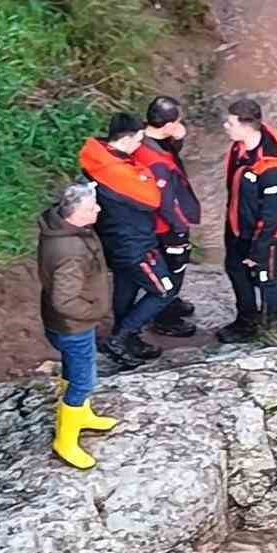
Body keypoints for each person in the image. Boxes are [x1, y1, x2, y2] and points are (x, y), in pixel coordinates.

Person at [80, 112, 178, 369]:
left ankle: (126, 335)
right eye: (139, 140)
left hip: (115, 239)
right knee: (165, 290)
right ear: (129, 138)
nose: (140, 146)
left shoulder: (97, 157)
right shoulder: (117, 172)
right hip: (134, 243)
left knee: (127, 285)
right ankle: (121, 337)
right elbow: (152, 198)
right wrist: (145, 175)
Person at [38, 180, 118, 471]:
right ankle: (66, 440)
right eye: (92, 206)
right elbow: (65, 300)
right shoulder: (70, 251)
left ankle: (81, 415)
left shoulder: (63, 228)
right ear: (76, 213)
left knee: (74, 371)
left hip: (66, 323)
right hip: (73, 326)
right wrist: (95, 311)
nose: (98, 208)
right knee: (84, 380)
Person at [218, 95, 277, 343]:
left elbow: (270, 215)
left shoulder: (271, 168)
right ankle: (246, 320)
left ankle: (268, 328)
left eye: (230, 123)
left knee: (266, 278)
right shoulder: (240, 147)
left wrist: (258, 251)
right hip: (238, 225)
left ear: (246, 126)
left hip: (264, 235)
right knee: (235, 270)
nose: (225, 127)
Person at [136, 94, 201, 339]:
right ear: (169, 125)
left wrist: (178, 140)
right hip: (164, 226)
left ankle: (169, 303)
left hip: (151, 222)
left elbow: (167, 151)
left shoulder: (142, 138)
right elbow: (165, 203)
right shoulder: (156, 163)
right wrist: (180, 229)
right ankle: (165, 318)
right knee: (175, 267)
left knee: (165, 265)